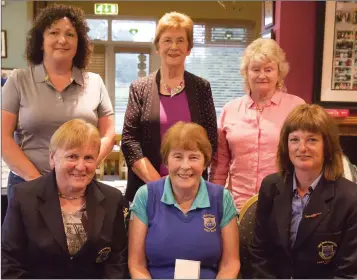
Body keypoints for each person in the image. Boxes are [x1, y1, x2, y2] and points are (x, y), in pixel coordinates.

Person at [1, 4, 115, 197]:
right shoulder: (18, 80)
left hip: (82, 186)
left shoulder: (95, 82)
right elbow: (3, 138)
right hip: (28, 185)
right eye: (54, 32)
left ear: (79, 42)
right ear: (40, 41)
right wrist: (38, 182)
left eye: (70, 34)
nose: (62, 40)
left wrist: (84, 168)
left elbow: (109, 135)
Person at [1, 119, 128, 279]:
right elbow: (10, 263)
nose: (81, 166)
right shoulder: (24, 197)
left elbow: (117, 263)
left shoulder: (112, 199)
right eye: (72, 156)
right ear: (53, 158)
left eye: (88, 157)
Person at [250, 104, 357, 278]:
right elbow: (259, 253)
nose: (302, 148)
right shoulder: (270, 187)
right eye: (294, 140)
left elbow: (348, 271)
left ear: (327, 146)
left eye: (312, 140)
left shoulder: (351, 198)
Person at [121, 12, 217, 202]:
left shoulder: (201, 88)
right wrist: (159, 185)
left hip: (192, 190)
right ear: (157, 46)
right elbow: (129, 141)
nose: (174, 47)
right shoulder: (139, 88)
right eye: (167, 40)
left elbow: (210, 141)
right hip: (147, 190)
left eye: (180, 40)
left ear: (189, 48)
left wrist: (183, 182)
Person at [128, 122, 240, 279]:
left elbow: (230, 264)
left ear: (205, 161)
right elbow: (137, 265)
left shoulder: (222, 199)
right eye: (178, 157)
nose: (185, 166)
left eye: (193, 157)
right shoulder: (145, 196)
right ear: (166, 160)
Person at [210, 38, 305, 210]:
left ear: (279, 73)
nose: (262, 75)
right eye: (255, 69)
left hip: (284, 204)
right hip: (236, 204)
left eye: (268, 69)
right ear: (246, 72)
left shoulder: (296, 108)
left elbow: (306, 158)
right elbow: (220, 163)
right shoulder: (230, 110)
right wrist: (214, 199)